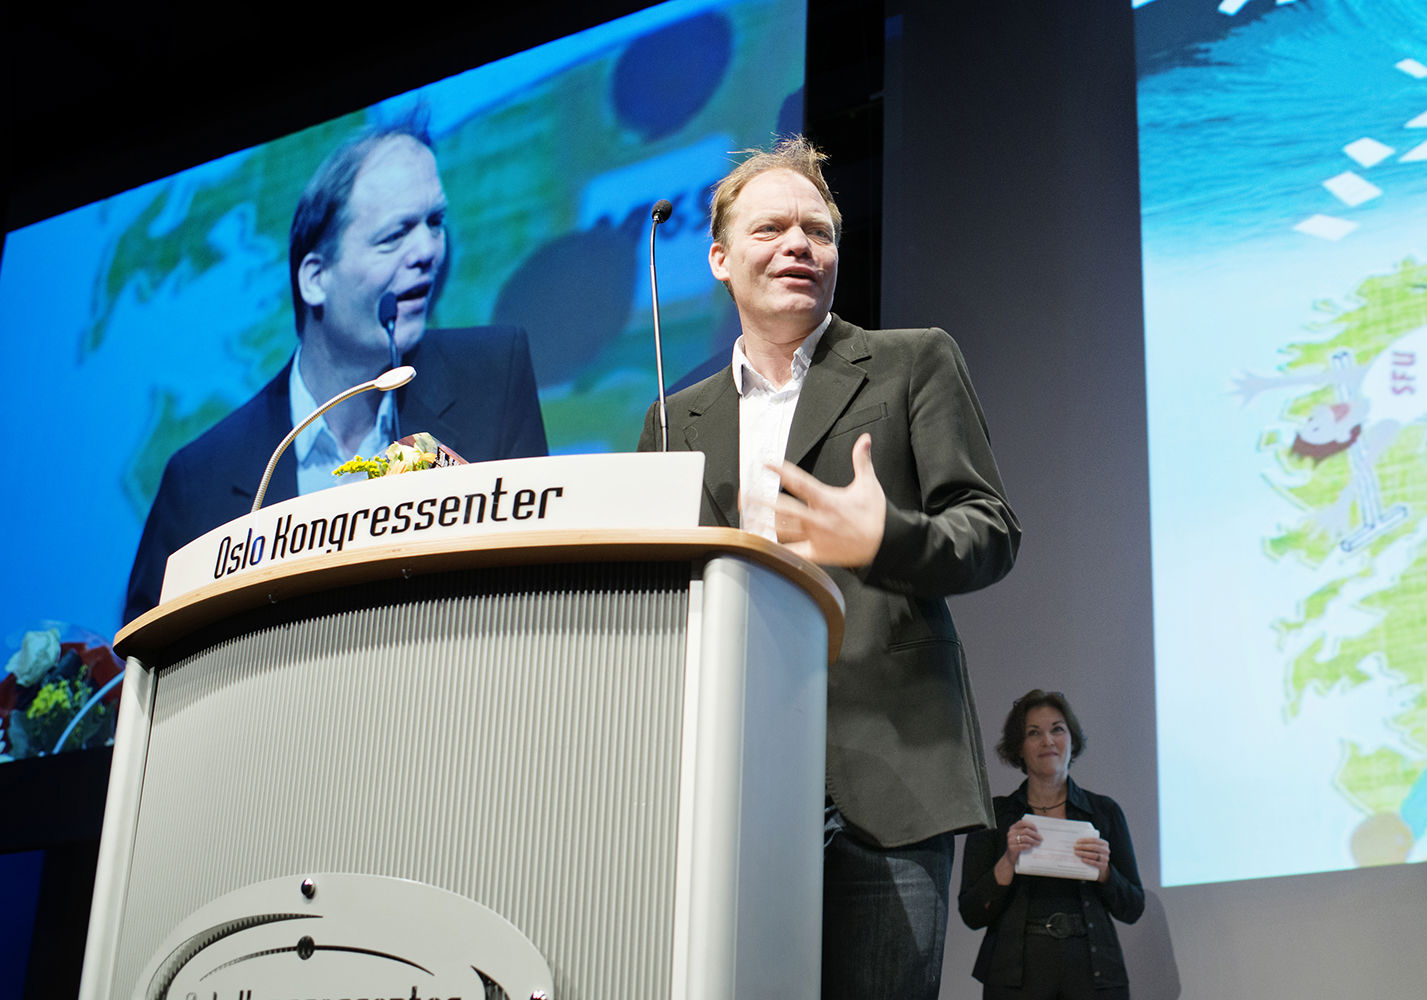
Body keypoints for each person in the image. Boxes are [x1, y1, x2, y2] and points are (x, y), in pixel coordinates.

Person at [636, 136, 1020, 1000]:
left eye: (818, 229)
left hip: (890, 775)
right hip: (732, 789)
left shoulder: (912, 361)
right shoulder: (672, 417)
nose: (799, 244)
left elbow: (990, 530)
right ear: (720, 259)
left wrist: (886, 538)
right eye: (771, 227)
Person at [124, 116, 548, 622]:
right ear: (316, 279)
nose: (428, 252)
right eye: (395, 235)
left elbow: (536, 586)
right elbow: (143, 679)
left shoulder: (493, 377)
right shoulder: (199, 482)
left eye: (435, 222)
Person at [959, 690, 1143, 999]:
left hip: (1093, 973)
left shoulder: (1103, 811)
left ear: (1072, 741)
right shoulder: (995, 815)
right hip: (1016, 976)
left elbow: (1133, 908)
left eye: (1057, 729)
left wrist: (1105, 873)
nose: (1048, 741)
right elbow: (971, 914)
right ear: (1018, 747)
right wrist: (1007, 862)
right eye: (1034, 733)